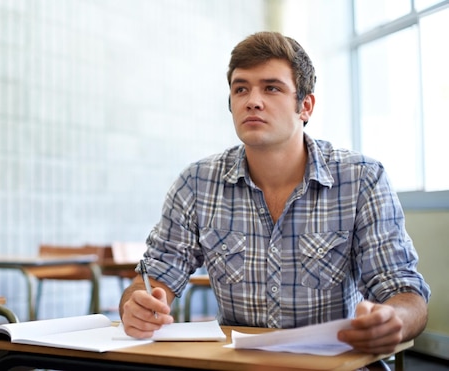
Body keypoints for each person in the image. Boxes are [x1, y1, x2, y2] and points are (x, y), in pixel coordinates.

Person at [119, 31, 431, 355]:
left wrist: (392, 319)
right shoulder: (196, 184)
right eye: (241, 88)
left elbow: (404, 292)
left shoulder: (362, 179)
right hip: (238, 365)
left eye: (271, 88)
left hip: (333, 366)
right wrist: (138, 307)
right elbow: (154, 279)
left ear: (305, 106)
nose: (252, 100)